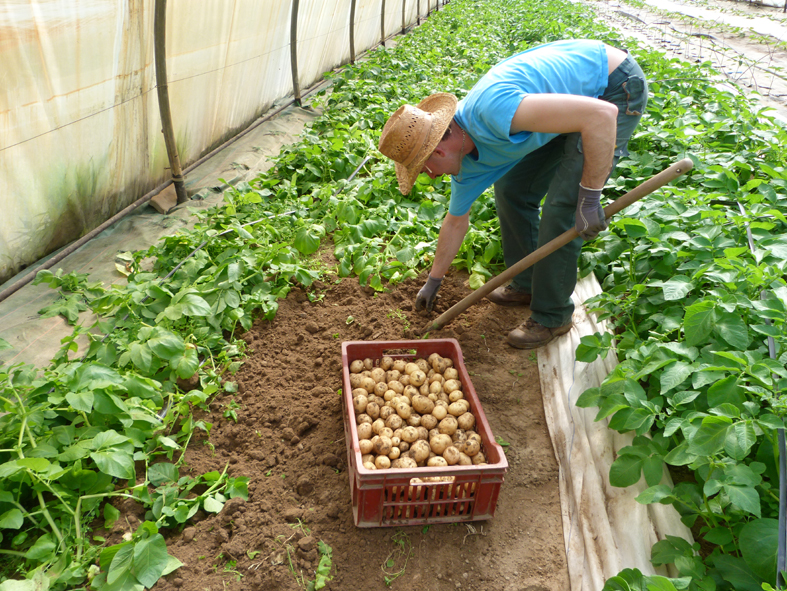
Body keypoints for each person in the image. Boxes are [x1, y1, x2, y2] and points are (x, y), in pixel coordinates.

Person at [377, 39, 647, 349]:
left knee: (562, 208)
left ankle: (553, 315)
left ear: (437, 151)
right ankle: (528, 283)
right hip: (574, 104)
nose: (432, 176)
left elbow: (601, 115)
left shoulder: (495, 111)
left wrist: (589, 197)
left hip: (612, 87)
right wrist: (433, 281)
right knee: (512, 189)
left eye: (424, 169)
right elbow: (455, 222)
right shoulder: (464, 164)